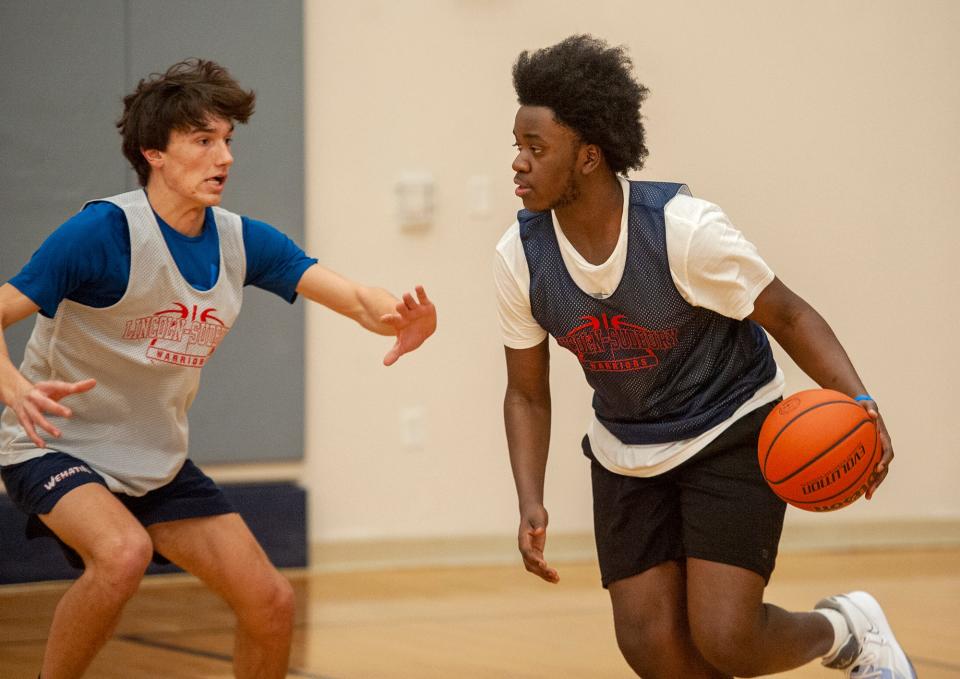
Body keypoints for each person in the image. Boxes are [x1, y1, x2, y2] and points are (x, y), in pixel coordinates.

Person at [0, 59, 436, 679]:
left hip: (154, 457)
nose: (224, 157)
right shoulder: (102, 233)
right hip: (53, 444)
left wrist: (400, 317)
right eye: (203, 141)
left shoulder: (240, 240)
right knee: (123, 554)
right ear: (154, 152)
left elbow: (357, 298)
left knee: (271, 600)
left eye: (227, 140)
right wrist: (13, 384)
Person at [495, 35, 914, 678]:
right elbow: (526, 391)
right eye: (516, 146)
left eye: (535, 148)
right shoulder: (520, 258)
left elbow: (792, 315)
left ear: (588, 157)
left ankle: (847, 630)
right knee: (650, 646)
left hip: (729, 426)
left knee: (727, 638)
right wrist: (530, 497)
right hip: (625, 447)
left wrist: (861, 403)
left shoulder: (682, 231)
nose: (517, 163)